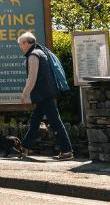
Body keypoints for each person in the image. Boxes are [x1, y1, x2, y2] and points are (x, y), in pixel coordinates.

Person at [17, 31, 73, 160]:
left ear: (26, 43)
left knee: (55, 122)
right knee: (35, 121)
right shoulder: (41, 52)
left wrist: (24, 94)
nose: (20, 46)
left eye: (20, 44)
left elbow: (32, 78)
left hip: (44, 95)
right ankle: (24, 147)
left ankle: (67, 151)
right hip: (46, 93)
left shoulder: (33, 55)